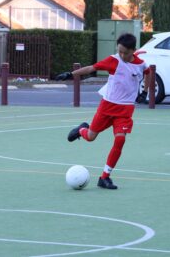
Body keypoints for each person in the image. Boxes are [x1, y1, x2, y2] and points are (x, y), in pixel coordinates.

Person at [56, 33, 150, 189]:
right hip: (107, 106)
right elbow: (92, 68)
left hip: (125, 109)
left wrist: (145, 92)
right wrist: (71, 75)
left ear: (133, 50)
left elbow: (148, 73)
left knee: (120, 139)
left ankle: (105, 177)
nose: (121, 55)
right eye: (119, 51)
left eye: (125, 52)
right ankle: (81, 130)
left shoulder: (141, 64)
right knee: (91, 137)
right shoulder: (113, 61)